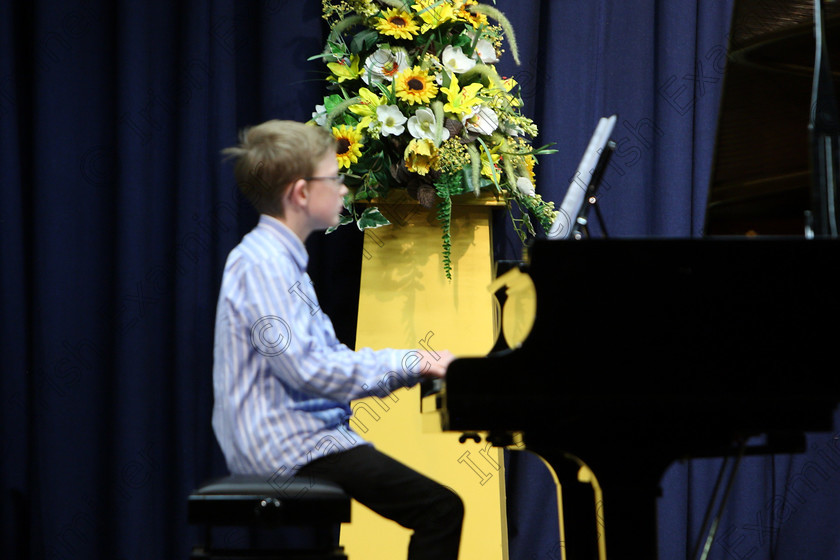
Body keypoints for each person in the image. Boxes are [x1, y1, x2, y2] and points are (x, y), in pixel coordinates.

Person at [212, 119, 463, 560]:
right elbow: (309, 369)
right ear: (301, 192)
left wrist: (410, 362)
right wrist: (413, 363)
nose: (344, 189)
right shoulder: (262, 264)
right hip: (288, 445)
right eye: (335, 178)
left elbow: (321, 358)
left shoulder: (279, 260)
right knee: (441, 509)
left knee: (437, 505)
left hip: (305, 436)